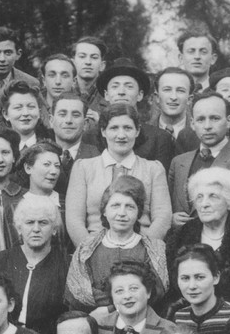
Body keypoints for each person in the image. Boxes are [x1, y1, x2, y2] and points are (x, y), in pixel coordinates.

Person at [64, 101, 173, 245]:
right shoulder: (84, 168)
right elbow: (74, 219)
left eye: (127, 128)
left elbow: (162, 218)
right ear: (103, 131)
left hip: (142, 252)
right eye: (114, 128)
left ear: (137, 131)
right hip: (94, 250)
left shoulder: (153, 169)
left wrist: (142, 251)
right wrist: (91, 251)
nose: (121, 135)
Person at [165, 167, 230, 307]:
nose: (204, 204)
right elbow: (173, 287)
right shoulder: (180, 236)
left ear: (229, 200)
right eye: (199, 197)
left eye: (213, 196)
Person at [66, 180, 169, 312]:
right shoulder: (86, 250)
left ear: (138, 213)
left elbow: (156, 291)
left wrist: (109, 309)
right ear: (104, 211)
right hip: (95, 319)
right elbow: (77, 291)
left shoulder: (154, 249)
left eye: (129, 207)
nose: (122, 213)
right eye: (115, 205)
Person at [0, 192, 67, 334]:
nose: (36, 229)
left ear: (55, 229)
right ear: (19, 228)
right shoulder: (0, 261)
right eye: (29, 222)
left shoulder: (66, 265)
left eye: (43, 223)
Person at [88, 259, 178, 334]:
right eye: (119, 291)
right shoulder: (98, 326)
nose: (127, 296)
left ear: (148, 292)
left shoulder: (168, 330)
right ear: (112, 296)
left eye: (134, 288)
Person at [168, 91, 230, 223]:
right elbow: (166, 205)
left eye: (215, 118)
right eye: (201, 119)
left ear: (229, 121)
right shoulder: (179, 162)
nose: (207, 126)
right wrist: (171, 218)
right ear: (192, 123)